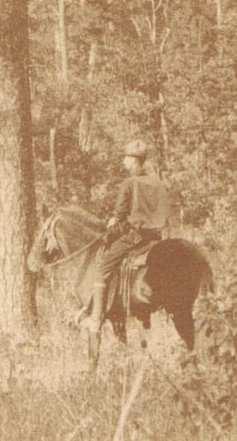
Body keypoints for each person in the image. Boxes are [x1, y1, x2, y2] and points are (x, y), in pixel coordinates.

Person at [80, 139, 171, 333]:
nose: (124, 162)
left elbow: (119, 213)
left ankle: (95, 318)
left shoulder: (130, 183)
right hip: (156, 237)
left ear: (135, 161)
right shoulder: (159, 183)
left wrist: (112, 222)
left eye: (126, 158)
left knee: (103, 265)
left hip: (136, 236)